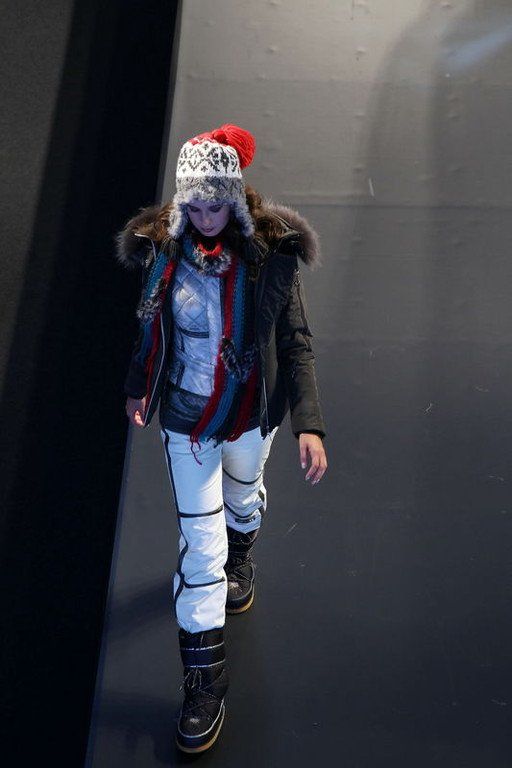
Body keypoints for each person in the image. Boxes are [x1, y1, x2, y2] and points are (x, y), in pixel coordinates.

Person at [114, 123, 327, 754]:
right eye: (196, 205)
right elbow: (150, 329)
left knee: (244, 498)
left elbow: (295, 341)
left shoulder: (271, 255)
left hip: (251, 415)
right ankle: (204, 683)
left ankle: (243, 554)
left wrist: (309, 424)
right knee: (199, 552)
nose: (206, 218)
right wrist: (138, 384)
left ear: (234, 201)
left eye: (217, 205)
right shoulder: (163, 252)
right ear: (183, 202)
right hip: (187, 422)